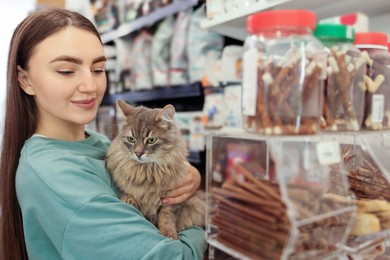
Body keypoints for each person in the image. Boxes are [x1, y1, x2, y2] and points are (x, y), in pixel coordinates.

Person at [0, 8, 207, 260]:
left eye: (98, 69)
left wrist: (186, 180)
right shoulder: (56, 176)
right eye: (66, 71)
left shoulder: (98, 142)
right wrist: (198, 223)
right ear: (25, 80)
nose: (90, 86)